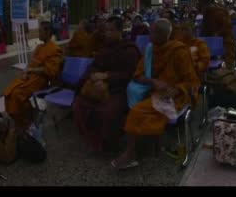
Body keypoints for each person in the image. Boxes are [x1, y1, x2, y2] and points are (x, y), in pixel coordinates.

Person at [111, 19, 199, 169]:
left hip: (176, 95)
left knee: (136, 112)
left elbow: (191, 81)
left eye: (152, 32)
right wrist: (153, 82)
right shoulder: (150, 49)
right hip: (153, 91)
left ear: (163, 35)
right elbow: (137, 75)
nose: (149, 35)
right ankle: (147, 143)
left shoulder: (179, 51)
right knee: (134, 108)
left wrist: (176, 89)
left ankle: (131, 155)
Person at [72, 16, 140, 153]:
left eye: (111, 30)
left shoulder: (129, 49)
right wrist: (93, 77)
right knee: (78, 105)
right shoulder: (105, 49)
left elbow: (130, 75)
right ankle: (92, 140)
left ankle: (107, 145)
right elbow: (94, 66)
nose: (107, 33)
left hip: (119, 90)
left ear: (120, 31)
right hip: (98, 87)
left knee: (109, 113)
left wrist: (107, 76)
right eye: (106, 30)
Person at [3, 21, 62, 131]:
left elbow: (51, 71)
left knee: (16, 94)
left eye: (40, 31)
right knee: (9, 92)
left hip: (40, 80)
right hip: (29, 77)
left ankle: (25, 123)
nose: (38, 34)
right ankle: (22, 120)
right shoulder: (39, 47)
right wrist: (26, 71)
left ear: (48, 32)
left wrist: (31, 70)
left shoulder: (54, 49)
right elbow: (32, 64)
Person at [172, 22, 209, 104]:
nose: (184, 32)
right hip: (176, 75)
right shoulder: (176, 44)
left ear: (193, 31)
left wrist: (195, 66)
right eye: (182, 30)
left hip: (193, 75)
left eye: (186, 29)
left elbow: (205, 61)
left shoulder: (199, 44)